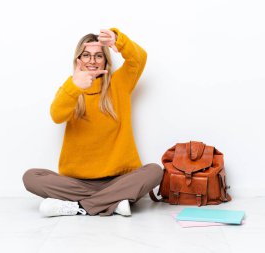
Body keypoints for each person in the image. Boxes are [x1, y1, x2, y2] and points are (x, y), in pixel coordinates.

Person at [22, 28, 163, 217]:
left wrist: (118, 41)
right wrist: (74, 87)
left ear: (106, 60)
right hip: (77, 182)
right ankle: (113, 202)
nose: (92, 61)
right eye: (86, 55)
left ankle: (79, 206)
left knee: (154, 171)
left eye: (98, 56)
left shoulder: (119, 83)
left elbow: (139, 59)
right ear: (78, 60)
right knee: (31, 177)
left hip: (118, 180)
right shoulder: (70, 88)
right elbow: (56, 115)